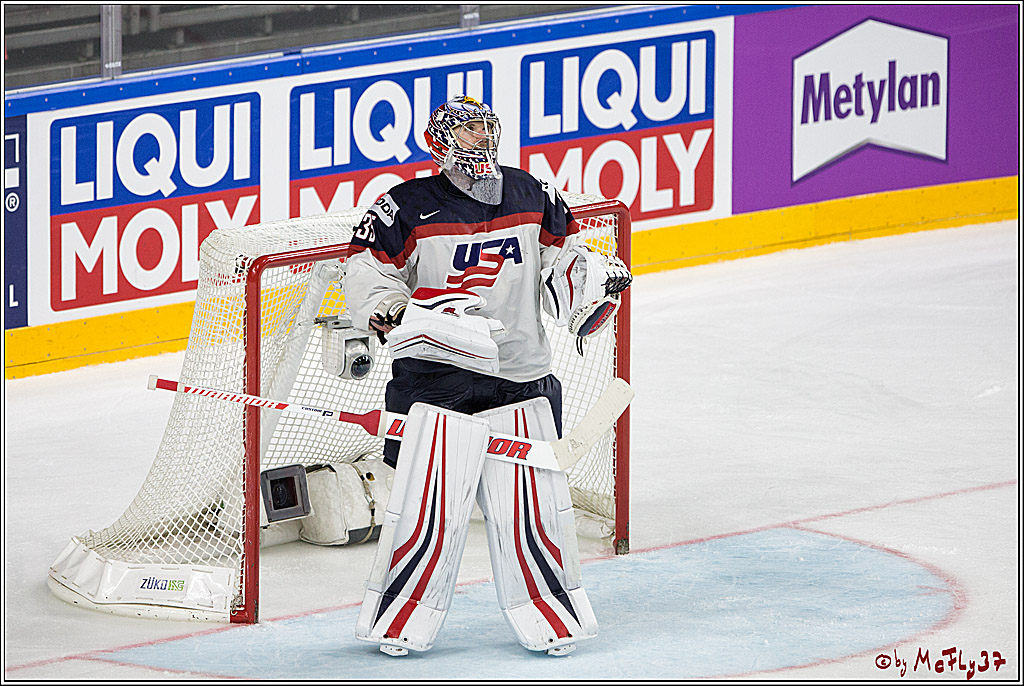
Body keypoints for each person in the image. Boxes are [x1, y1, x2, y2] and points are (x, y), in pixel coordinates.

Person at [345, 95, 632, 657]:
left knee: (533, 512)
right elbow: (364, 271)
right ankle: (400, 623)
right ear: (441, 144)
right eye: (467, 132)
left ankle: (552, 618)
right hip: (435, 378)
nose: (481, 141)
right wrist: (400, 312)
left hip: (520, 375)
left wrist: (586, 283)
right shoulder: (402, 206)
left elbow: (561, 257)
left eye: (485, 130)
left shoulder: (533, 192)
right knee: (428, 513)